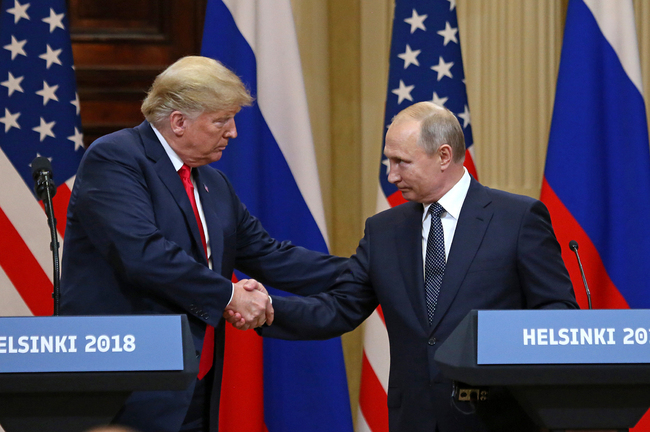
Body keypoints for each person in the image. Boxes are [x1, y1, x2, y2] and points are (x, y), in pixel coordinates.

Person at [238, 102, 579, 431]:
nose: (391, 175)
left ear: (444, 156)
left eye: (402, 162)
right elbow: (340, 307)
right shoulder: (384, 229)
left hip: (498, 417)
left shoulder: (517, 219)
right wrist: (268, 309)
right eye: (388, 161)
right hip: (415, 417)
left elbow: (556, 312)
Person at [60, 56, 346, 432]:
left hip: (193, 382)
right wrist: (230, 295)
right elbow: (144, 255)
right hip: (127, 382)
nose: (233, 132)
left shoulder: (212, 183)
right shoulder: (116, 158)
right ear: (179, 121)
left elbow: (268, 254)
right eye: (221, 120)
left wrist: (368, 269)